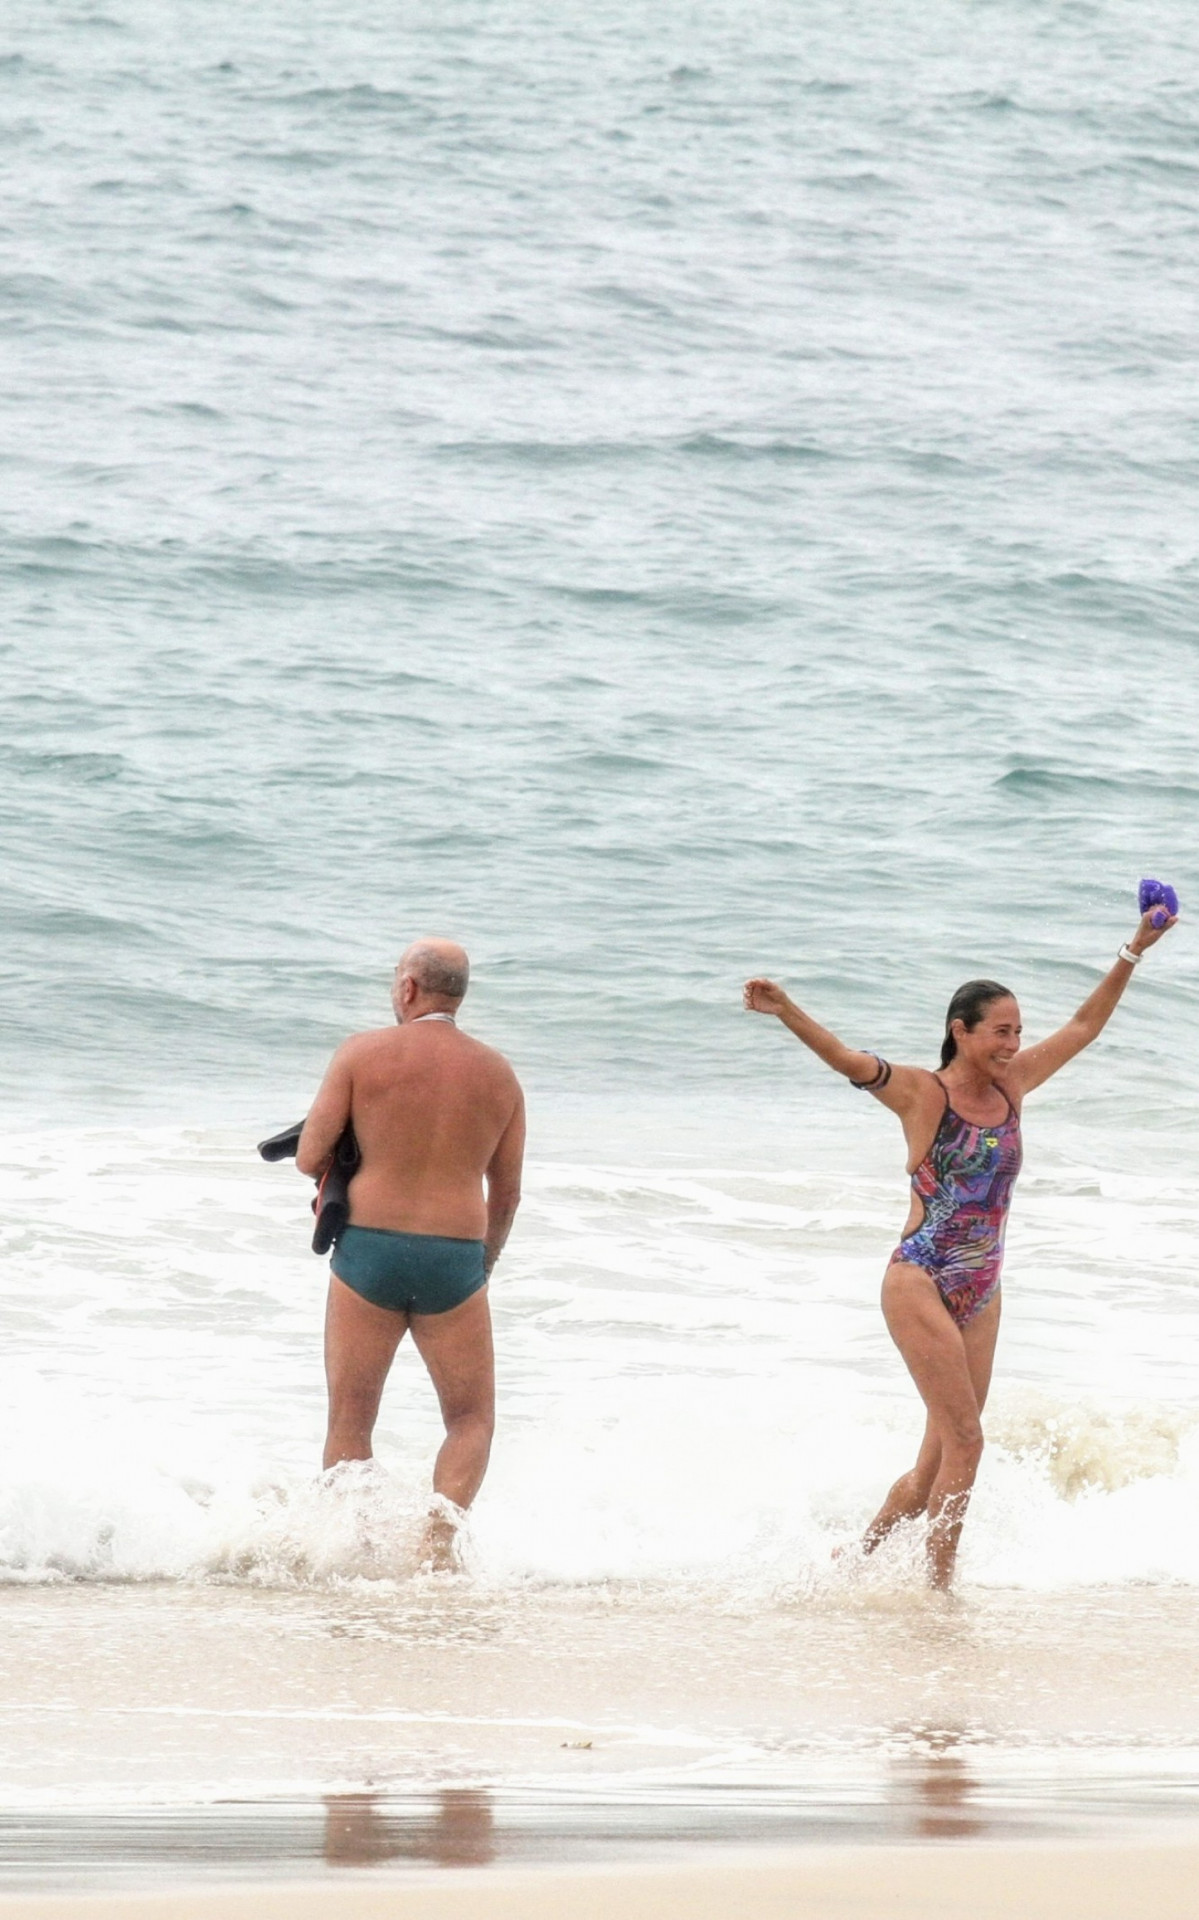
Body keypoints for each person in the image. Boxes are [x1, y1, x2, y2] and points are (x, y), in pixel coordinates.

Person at [743, 905, 1177, 1588]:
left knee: (933, 1462)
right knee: (968, 1441)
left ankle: (852, 1563)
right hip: (918, 1277)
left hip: (982, 1290)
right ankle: (937, 1590)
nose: (1012, 1043)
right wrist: (786, 1008)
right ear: (960, 1031)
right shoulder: (920, 1094)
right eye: (999, 1031)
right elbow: (845, 1059)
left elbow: (1084, 1027)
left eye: (1017, 1032)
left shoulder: (1014, 1084)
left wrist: (1135, 948)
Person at [297, 938, 525, 1567]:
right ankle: (436, 1549)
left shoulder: (361, 1053)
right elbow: (506, 1193)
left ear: (407, 989)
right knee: (471, 1418)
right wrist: (484, 1264)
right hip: (454, 1257)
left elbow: (310, 1158)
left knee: (350, 1416)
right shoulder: (500, 1073)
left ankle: (350, 1551)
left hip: (367, 1250)